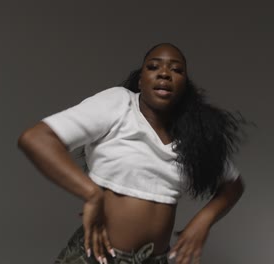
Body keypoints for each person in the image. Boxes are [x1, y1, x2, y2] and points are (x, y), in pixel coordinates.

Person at [17, 43, 248, 264]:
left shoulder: (193, 134)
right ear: (141, 79)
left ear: (185, 85)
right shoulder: (119, 104)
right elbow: (36, 139)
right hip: (98, 257)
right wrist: (92, 194)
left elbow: (233, 186)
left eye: (176, 70)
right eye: (153, 66)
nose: (164, 73)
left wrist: (203, 221)